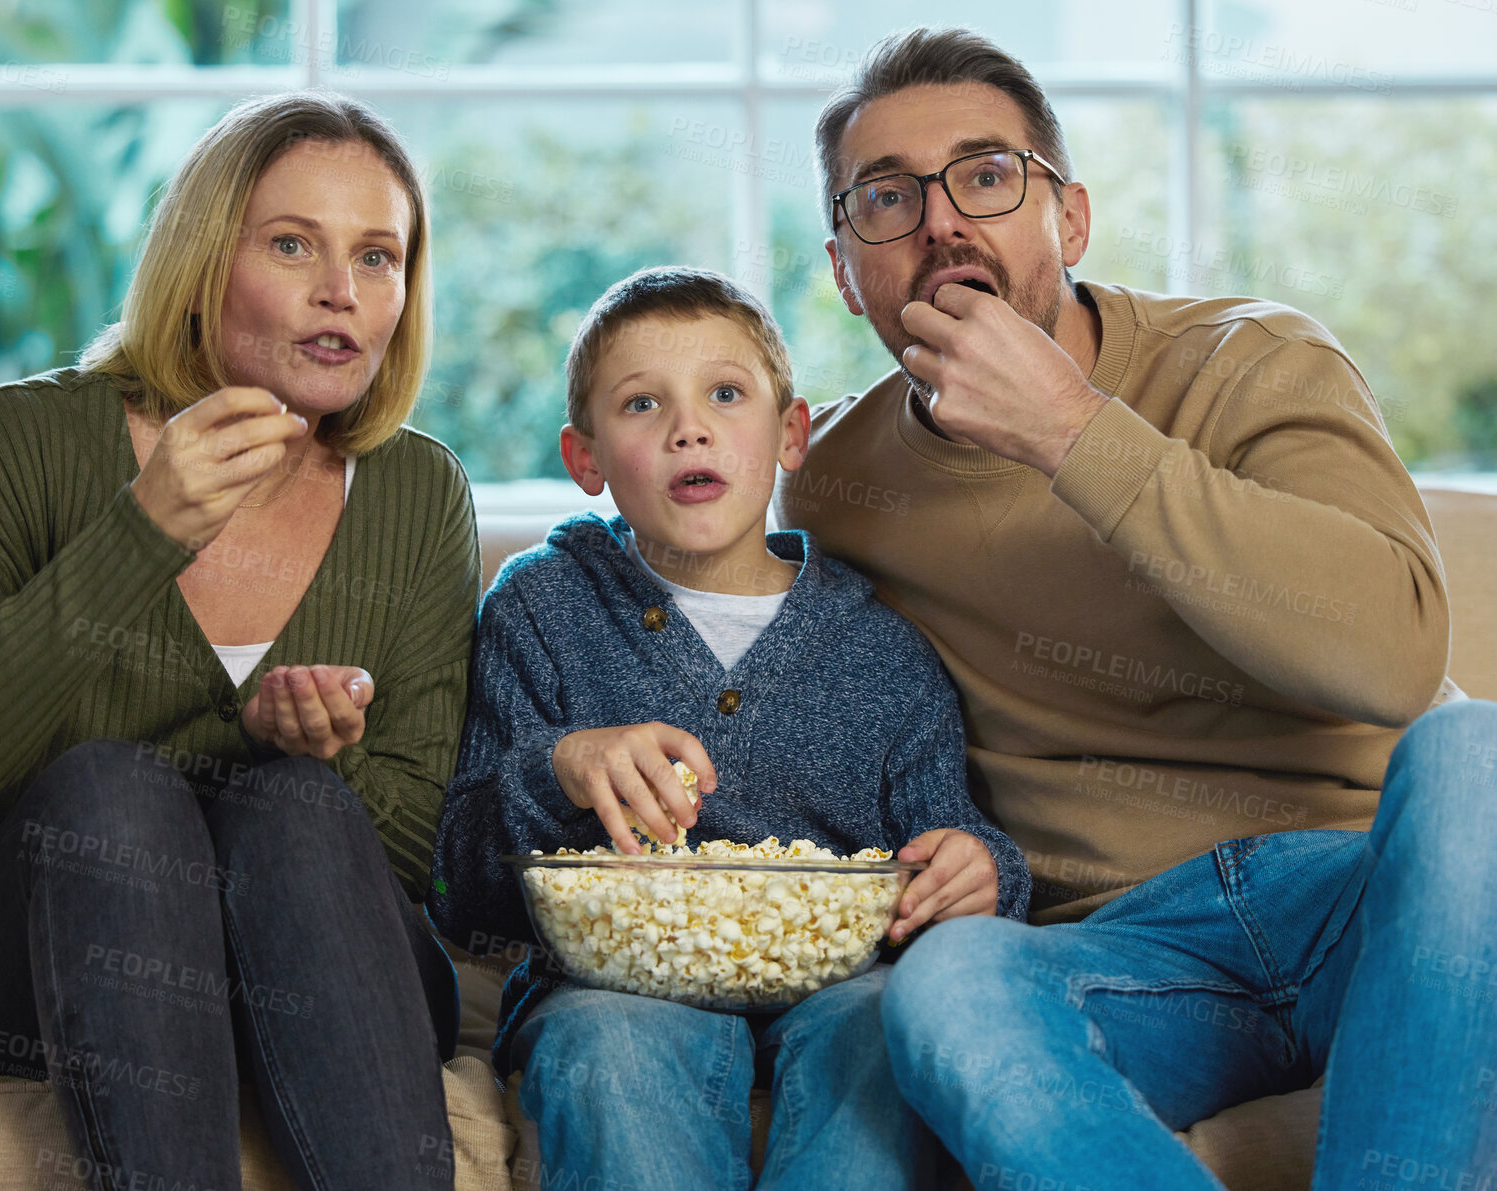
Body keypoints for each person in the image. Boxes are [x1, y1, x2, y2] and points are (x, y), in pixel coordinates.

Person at [776, 25, 1497, 1189]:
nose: (941, 222)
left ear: (1069, 221)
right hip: (1119, 952)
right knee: (949, 983)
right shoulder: (835, 489)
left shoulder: (1254, 361)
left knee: (1478, 751)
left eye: (987, 176)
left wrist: (1072, 431)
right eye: (886, 199)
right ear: (844, 265)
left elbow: (1393, 661)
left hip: (1369, 901)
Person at [0, 93, 477, 1190]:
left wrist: (307, 750)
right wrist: (141, 535)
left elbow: (415, 861)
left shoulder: (419, 494)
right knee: (108, 795)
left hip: (295, 969)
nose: (341, 293)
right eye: (290, 244)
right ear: (202, 260)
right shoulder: (16, 441)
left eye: (378, 256)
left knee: (300, 806)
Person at [428, 265, 1029, 1191]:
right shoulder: (542, 610)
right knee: (605, 1048)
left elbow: (948, 839)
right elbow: (463, 884)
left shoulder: (880, 649)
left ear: (790, 434)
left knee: (887, 1035)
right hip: (609, 988)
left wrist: (984, 867)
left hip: (844, 986)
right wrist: (558, 768)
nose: (688, 427)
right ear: (583, 457)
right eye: (640, 404)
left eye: (724, 393)